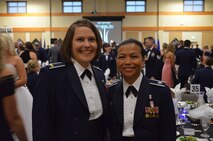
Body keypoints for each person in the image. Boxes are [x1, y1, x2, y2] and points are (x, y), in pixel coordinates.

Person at [33, 19, 109, 141]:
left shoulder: (99, 75)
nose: (87, 45)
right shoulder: (52, 76)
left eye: (91, 39)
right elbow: (41, 125)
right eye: (80, 39)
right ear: (69, 44)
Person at [108, 38, 176, 141]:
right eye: (122, 57)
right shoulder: (111, 91)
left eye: (134, 56)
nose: (127, 62)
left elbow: (168, 132)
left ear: (143, 60)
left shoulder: (160, 91)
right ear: (116, 61)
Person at [1, 33, 33, 141]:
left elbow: (24, 79)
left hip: (19, 93)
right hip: (5, 94)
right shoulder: (1, 61)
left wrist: (9, 86)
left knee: (21, 118)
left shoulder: (16, 59)